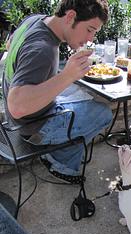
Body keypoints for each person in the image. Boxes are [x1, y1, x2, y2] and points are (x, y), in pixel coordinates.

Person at [2, 0, 113, 184]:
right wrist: (67, 76)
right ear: (70, 17)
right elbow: (17, 107)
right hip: (32, 125)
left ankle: (60, 151)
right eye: (89, 29)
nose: (90, 39)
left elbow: (9, 44)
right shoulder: (43, 48)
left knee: (84, 98)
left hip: (21, 117)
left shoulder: (35, 20)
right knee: (103, 113)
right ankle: (60, 163)